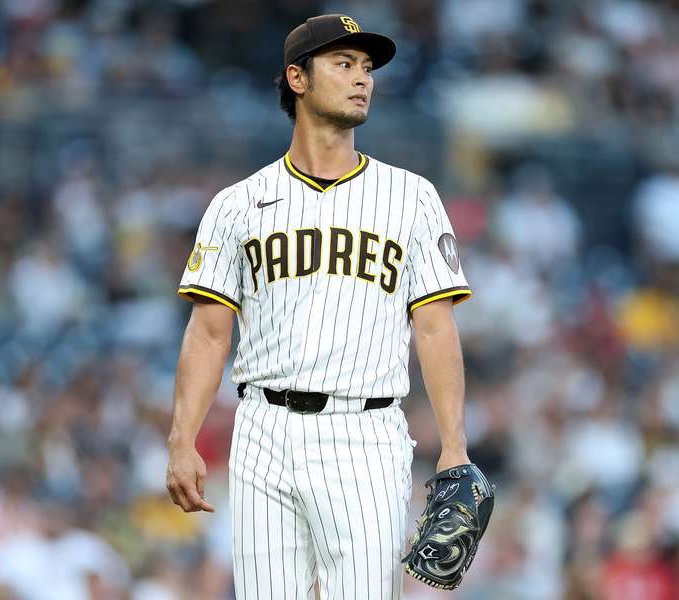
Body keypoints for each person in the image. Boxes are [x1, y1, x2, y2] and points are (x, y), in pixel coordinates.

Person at [164, 14, 473, 600]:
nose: (363, 79)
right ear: (297, 79)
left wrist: (454, 447)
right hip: (262, 429)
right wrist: (182, 439)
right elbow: (208, 335)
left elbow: (435, 329)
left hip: (366, 431)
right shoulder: (237, 205)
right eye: (343, 64)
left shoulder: (411, 197)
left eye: (367, 68)